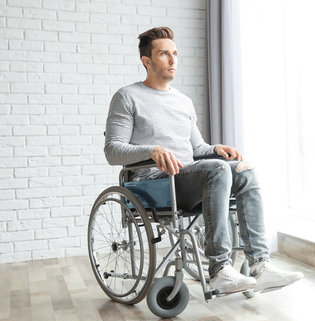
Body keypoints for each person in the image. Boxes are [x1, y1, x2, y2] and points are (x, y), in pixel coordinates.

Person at [104, 27, 303, 294]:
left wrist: (216, 149)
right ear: (147, 61)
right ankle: (220, 268)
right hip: (154, 184)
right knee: (218, 170)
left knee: (244, 170)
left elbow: (196, 148)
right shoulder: (127, 97)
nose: (173, 60)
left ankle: (259, 265)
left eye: (175, 53)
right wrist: (152, 150)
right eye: (164, 54)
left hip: (188, 177)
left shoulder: (183, 101)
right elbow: (113, 151)